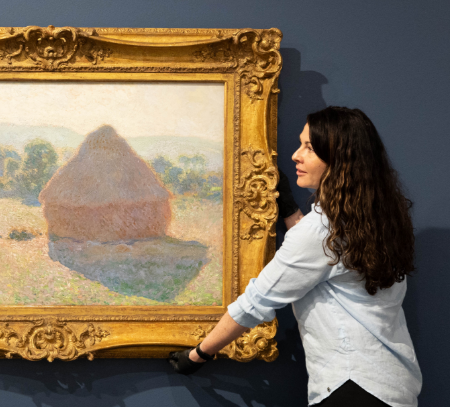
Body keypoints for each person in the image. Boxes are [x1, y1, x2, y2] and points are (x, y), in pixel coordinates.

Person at [169, 106, 421, 407]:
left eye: (309, 148)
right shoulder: (380, 219)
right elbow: (321, 257)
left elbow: (256, 301)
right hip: (393, 385)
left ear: (338, 160)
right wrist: (289, 209)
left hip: (351, 386)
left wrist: (198, 354)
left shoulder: (321, 230)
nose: (295, 155)